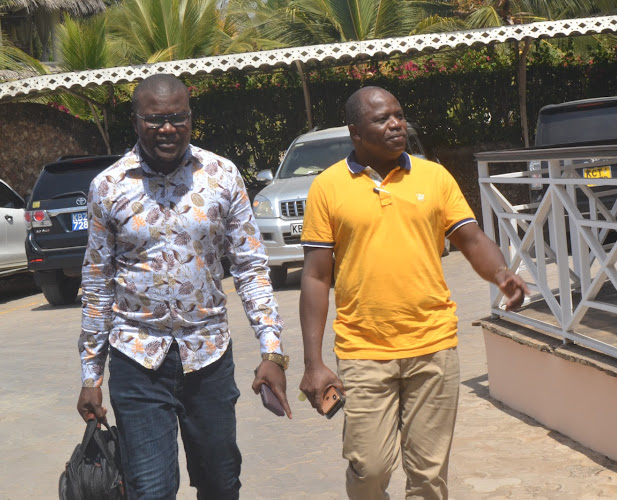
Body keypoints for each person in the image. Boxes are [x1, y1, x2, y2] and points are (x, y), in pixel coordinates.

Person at [298, 86, 529, 500]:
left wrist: (501, 273)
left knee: (427, 477)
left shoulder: (434, 176)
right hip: (363, 350)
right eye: (382, 118)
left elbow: (471, 239)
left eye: (399, 115)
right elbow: (316, 277)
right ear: (355, 131)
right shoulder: (327, 187)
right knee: (368, 470)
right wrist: (313, 362)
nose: (395, 124)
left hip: (433, 346)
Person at [76, 73, 292, 500]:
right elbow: (97, 282)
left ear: (191, 118)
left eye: (178, 117)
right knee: (151, 489)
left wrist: (272, 351)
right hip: (136, 359)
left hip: (208, 355)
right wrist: (90, 373)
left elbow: (250, 267)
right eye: (156, 119)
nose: (168, 128)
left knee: (220, 481)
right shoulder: (108, 186)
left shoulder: (222, 176)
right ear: (136, 121)